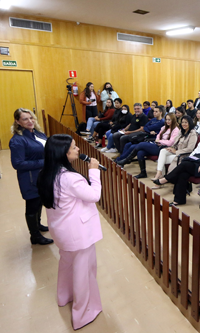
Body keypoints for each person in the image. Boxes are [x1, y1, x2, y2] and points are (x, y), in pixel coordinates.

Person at [37, 134, 103, 330]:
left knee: (66, 266)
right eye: (74, 147)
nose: (78, 150)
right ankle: (83, 314)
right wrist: (94, 172)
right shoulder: (70, 178)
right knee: (84, 272)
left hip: (62, 232)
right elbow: (94, 196)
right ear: (63, 153)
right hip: (79, 234)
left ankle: (64, 296)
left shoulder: (47, 173)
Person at [10, 108, 53, 245]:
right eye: (25, 119)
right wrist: (45, 162)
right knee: (32, 205)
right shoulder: (17, 140)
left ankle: (38, 225)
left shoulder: (38, 133)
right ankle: (34, 236)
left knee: (39, 201)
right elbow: (18, 163)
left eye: (31, 118)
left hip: (42, 175)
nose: (30, 121)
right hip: (29, 178)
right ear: (18, 122)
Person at [153, 122, 200, 205]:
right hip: (195, 161)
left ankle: (166, 179)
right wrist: (190, 158)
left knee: (184, 165)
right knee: (182, 173)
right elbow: (196, 151)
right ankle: (179, 200)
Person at [119, 113, 179, 179]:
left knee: (141, 144)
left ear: (173, 120)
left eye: (169, 120)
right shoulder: (164, 127)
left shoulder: (176, 130)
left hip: (165, 148)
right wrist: (158, 140)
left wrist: (159, 141)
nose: (167, 121)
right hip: (157, 145)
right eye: (166, 119)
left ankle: (127, 160)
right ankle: (143, 173)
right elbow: (158, 136)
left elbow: (170, 143)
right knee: (140, 152)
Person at [152, 116, 198, 182]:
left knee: (161, 160)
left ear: (190, 123)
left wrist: (176, 151)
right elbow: (176, 143)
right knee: (163, 151)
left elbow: (190, 149)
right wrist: (172, 148)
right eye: (182, 122)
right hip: (175, 151)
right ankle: (159, 174)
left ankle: (161, 177)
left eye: (186, 122)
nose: (184, 124)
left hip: (183, 155)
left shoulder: (193, 133)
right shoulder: (181, 131)